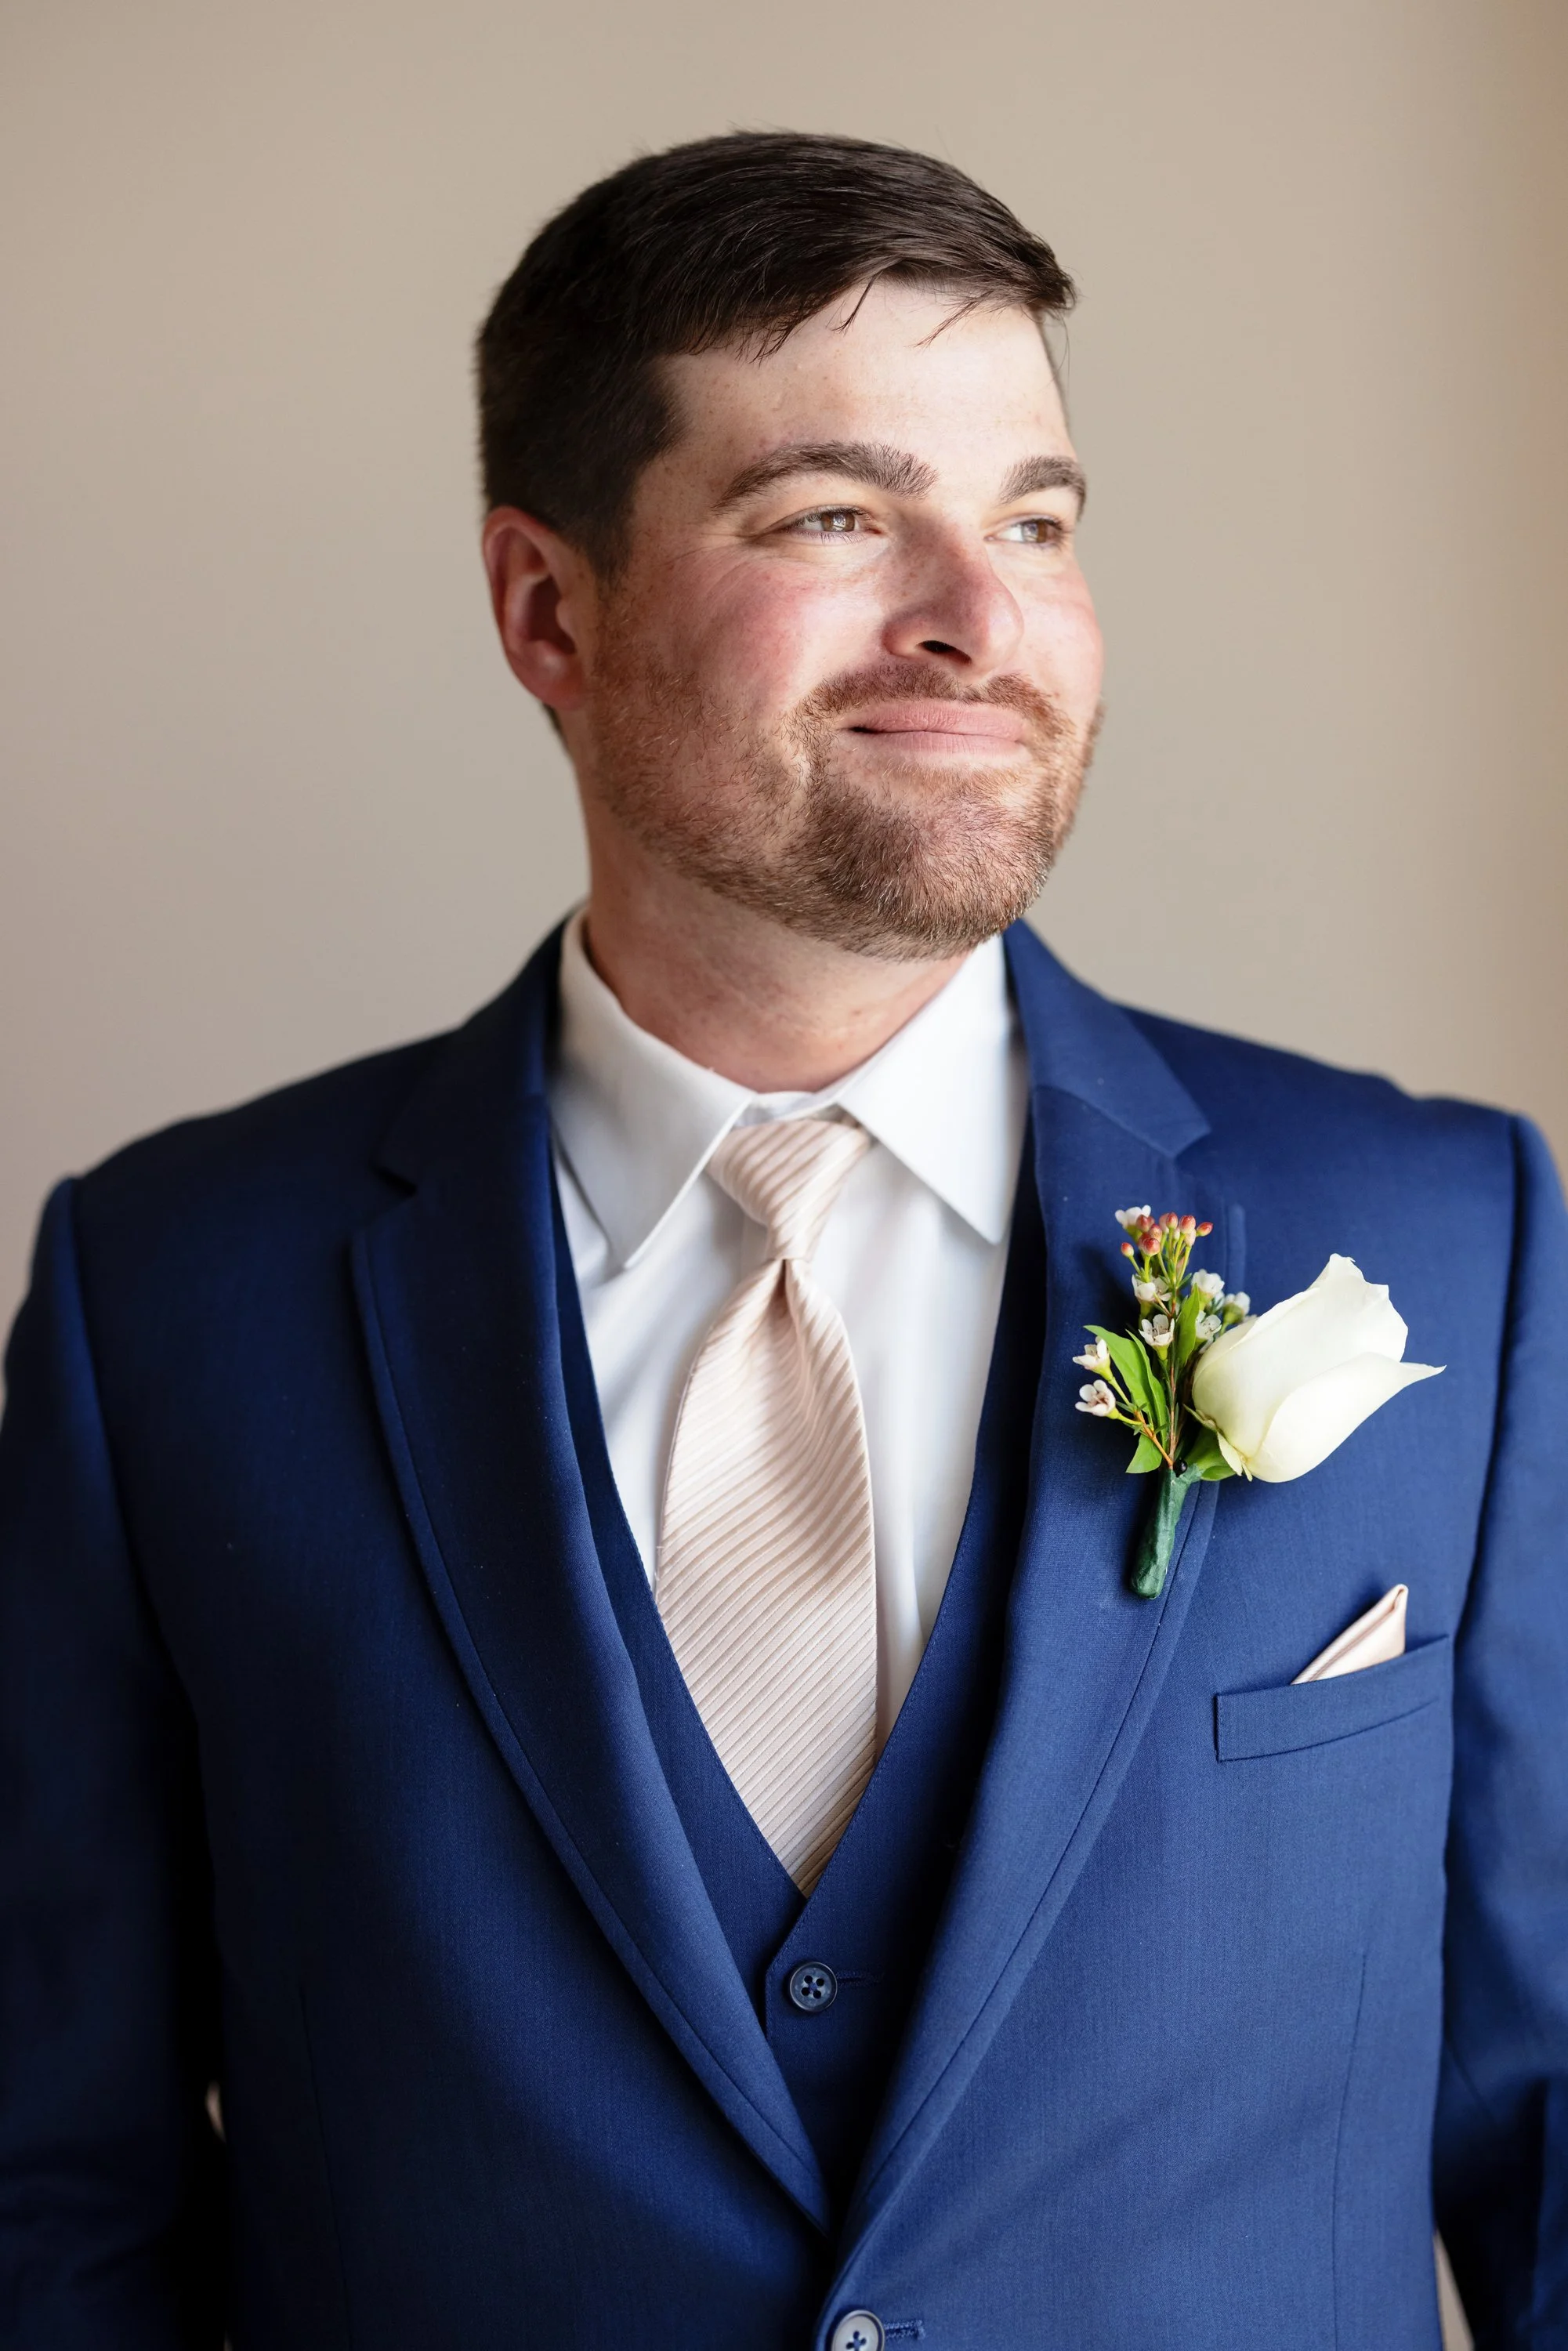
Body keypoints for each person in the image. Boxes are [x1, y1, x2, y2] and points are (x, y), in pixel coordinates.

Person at [0, 130, 1563, 2351]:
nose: (979, 614)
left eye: (1034, 519)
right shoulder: (167, 1302)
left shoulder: (1450, 1237)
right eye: (839, 515)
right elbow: (55, 2183)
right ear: (550, 608)